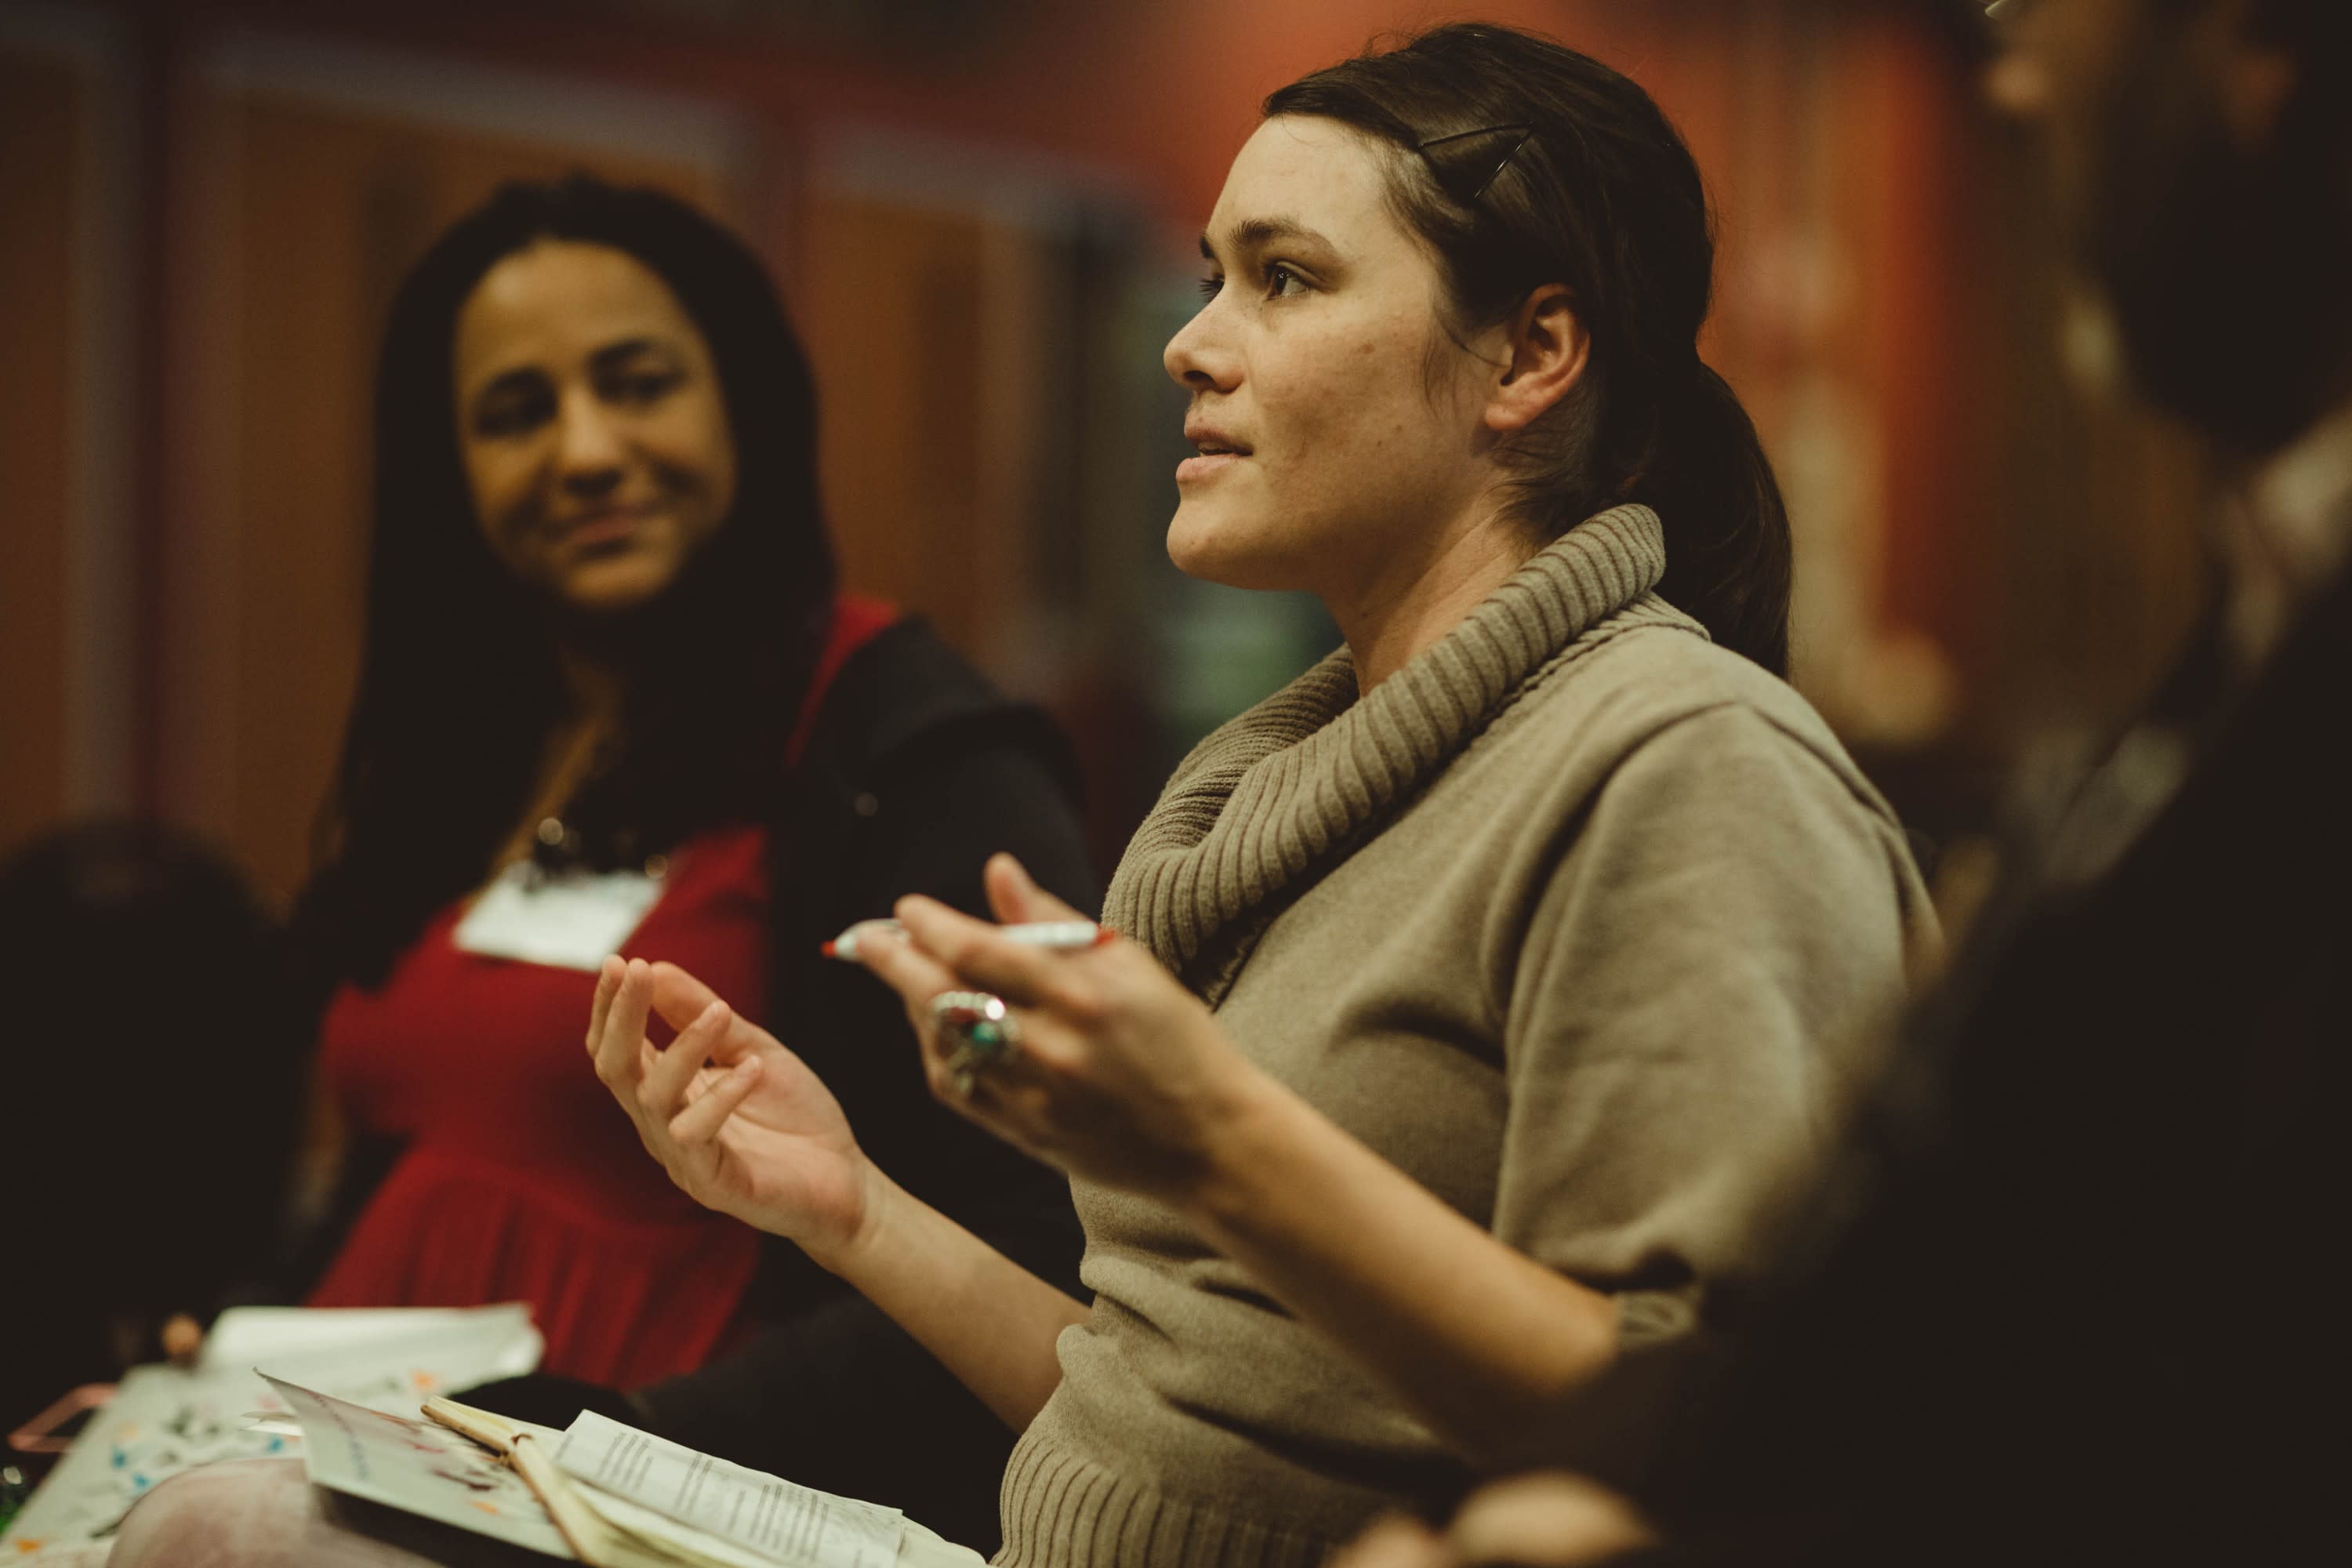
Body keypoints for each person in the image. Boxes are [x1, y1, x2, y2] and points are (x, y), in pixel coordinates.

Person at [587, 24, 1938, 1568]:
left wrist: (1216, 1136)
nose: (1191, 341)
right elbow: (1185, 1426)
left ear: (1530, 355)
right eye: (1216, 272)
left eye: (1283, 277)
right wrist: (851, 1208)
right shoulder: (1267, 782)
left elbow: (1739, 1454)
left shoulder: (1689, 773)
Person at [1319, 2, 2352, 1563]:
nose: (2004, 78)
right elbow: (1907, 1327)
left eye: (2036, 16)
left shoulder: (1693, 761)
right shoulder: (2250, 622)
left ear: (2256, 44)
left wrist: (1205, 1143)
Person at [270, 175, 1094, 1548]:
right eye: (515, 413)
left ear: (744, 412)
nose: (585, 451)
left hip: (656, 1493)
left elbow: (1031, 1248)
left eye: (637, 382)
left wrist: (610, 1447)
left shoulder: (908, 746)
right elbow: (416, 1135)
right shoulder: (483, 742)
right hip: (382, 1452)